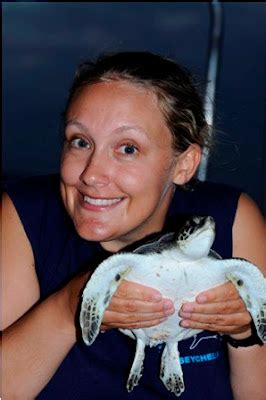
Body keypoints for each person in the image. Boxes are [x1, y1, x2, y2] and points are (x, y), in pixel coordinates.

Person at [2, 51, 265, 400]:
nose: (91, 174)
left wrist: (245, 334)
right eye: (80, 141)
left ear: (184, 164)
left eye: (127, 148)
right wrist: (69, 308)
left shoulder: (229, 220)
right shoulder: (26, 214)